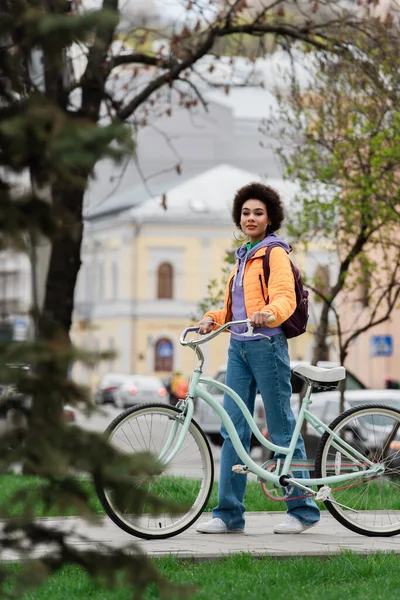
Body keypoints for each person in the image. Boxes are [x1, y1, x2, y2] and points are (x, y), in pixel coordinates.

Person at [195, 182, 320, 535]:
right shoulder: (242, 256)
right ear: (239, 217)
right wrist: (212, 318)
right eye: (246, 213)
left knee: (282, 428)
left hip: (267, 347)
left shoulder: (274, 253)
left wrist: (269, 313)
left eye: (258, 213)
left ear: (270, 218)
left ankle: (303, 509)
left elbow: (284, 299)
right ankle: (228, 513)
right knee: (232, 427)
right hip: (238, 348)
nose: (251, 218)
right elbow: (234, 309)